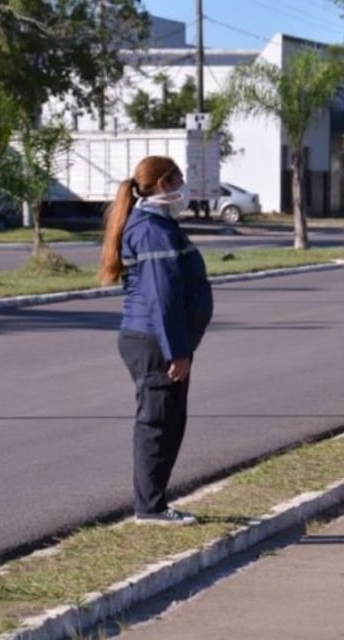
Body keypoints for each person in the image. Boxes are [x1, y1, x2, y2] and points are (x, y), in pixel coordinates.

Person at [99, 156, 214, 525]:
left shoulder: (160, 224)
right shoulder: (151, 229)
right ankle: (149, 508)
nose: (185, 185)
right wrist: (176, 351)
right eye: (180, 177)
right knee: (157, 423)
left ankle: (156, 504)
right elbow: (161, 296)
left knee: (170, 421)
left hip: (159, 339)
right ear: (163, 184)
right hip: (153, 340)